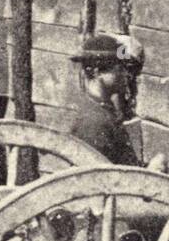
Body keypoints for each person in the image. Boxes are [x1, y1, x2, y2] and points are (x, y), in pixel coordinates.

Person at [69, 32, 163, 167]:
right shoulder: (94, 122)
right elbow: (99, 180)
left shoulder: (102, 109)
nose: (125, 74)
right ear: (96, 72)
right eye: (119, 68)